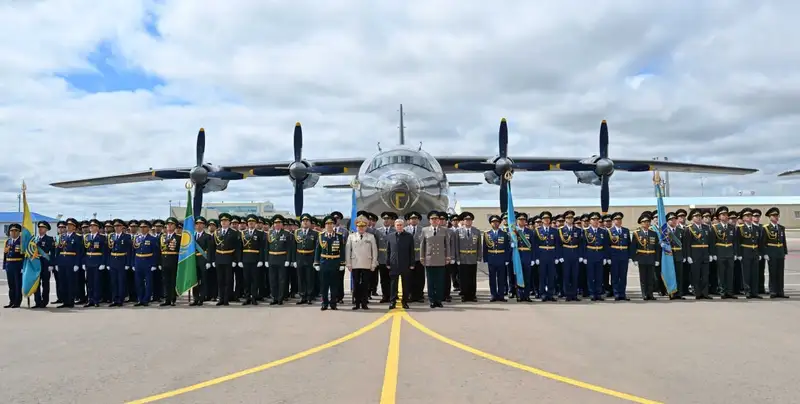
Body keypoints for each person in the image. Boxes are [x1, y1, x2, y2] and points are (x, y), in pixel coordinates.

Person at [346, 214, 378, 310]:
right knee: (356, 285)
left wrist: (373, 263)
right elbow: (348, 250)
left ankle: (364, 303)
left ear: (366, 227)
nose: (361, 228)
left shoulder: (371, 236)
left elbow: (374, 251)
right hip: (355, 263)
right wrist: (348, 263)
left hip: (366, 264)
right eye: (359, 226)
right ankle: (356, 303)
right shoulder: (351, 236)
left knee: (365, 284)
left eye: (363, 226)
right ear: (356, 227)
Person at [421, 211, 451, 308]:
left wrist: (448, 256)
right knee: (430, 281)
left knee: (440, 281)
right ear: (429, 220)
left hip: (440, 258)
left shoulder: (444, 230)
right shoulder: (425, 230)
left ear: (439, 221)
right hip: (429, 258)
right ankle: (432, 300)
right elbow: (422, 245)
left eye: (436, 219)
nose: (434, 221)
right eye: (432, 219)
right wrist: (422, 257)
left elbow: (447, 244)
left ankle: (439, 300)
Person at [315, 215, 346, 311]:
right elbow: (318, 250)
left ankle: (333, 303)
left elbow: (342, 250)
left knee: (334, 285)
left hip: (335, 263)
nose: (329, 226)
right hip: (324, 263)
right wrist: (316, 263)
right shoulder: (321, 236)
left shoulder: (339, 236)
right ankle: (324, 303)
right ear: (325, 225)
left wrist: (342, 263)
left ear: (334, 225)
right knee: (324, 285)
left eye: (331, 224)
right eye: (327, 224)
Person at [385, 218, 414, 309]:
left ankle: (404, 301)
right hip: (394, 264)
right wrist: (388, 262)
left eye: (401, 225)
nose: (399, 227)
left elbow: (411, 251)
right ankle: (392, 301)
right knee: (393, 284)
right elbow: (388, 250)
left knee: (406, 284)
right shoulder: (390, 236)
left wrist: (412, 263)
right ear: (395, 226)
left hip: (405, 264)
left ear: (403, 226)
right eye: (397, 225)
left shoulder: (409, 236)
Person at [214, 213, 242, 306]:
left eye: (226, 221)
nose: (224, 222)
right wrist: (213, 260)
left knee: (228, 280)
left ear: (229, 222)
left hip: (229, 258)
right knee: (219, 280)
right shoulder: (216, 232)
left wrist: (235, 260)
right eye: (222, 221)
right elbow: (213, 247)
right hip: (219, 258)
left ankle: (226, 299)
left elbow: (237, 248)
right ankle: (220, 298)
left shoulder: (234, 233)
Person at [685, 208, 713, 300]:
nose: (699, 218)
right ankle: (697, 293)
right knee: (696, 275)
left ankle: (705, 293)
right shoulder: (689, 229)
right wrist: (688, 255)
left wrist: (710, 254)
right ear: (692, 218)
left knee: (705, 275)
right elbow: (687, 243)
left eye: (699, 216)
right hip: (695, 255)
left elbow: (710, 242)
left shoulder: (706, 228)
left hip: (705, 254)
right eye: (696, 216)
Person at [630, 213, 659, 300]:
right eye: (644, 222)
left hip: (651, 257)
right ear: (641, 223)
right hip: (641, 258)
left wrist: (657, 259)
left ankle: (650, 294)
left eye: (648, 222)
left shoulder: (653, 233)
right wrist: (634, 258)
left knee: (650, 278)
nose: (646, 223)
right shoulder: (636, 234)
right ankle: (644, 294)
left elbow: (657, 248)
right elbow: (633, 247)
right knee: (643, 278)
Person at [762, 207, 789, 299]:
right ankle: (773, 291)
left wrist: (784, 252)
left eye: (777, 215)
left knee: (780, 272)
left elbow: (783, 241)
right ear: (770, 217)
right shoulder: (766, 228)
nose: (776, 217)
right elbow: (763, 242)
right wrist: (765, 253)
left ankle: (780, 291)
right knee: (772, 272)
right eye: (774, 216)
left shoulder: (781, 228)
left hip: (780, 252)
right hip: (771, 252)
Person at [712, 206, 738, 299]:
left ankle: (730, 292)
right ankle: (722, 291)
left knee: (730, 273)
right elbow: (713, 242)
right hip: (720, 252)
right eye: (723, 215)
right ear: (719, 217)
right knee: (721, 273)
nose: (725, 216)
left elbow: (735, 242)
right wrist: (714, 254)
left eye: (726, 214)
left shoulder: (732, 227)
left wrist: (735, 253)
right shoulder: (715, 227)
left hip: (730, 252)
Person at [455, 212, 482, 302]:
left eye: (470, 220)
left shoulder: (476, 231)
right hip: (462, 258)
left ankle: (472, 295)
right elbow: (456, 246)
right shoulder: (458, 231)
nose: (468, 222)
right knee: (463, 278)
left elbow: (479, 246)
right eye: (466, 220)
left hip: (472, 257)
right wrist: (457, 258)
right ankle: (465, 295)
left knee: (472, 278)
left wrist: (479, 257)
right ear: (463, 221)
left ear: (472, 222)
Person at [133, 220, 160, 307]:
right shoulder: (136, 238)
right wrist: (133, 263)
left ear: (148, 228)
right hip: (138, 262)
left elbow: (156, 253)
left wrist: (154, 264)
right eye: (141, 227)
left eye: (144, 227)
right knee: (138, 282)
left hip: (148, 262)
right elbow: (134, 251)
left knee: (148, 282)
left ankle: (146, 299)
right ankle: (140, 299)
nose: (142, 229)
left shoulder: (153, 239)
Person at [241, 214, 266, 305]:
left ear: (255, 223)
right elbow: (240, 248)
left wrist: (260, 260)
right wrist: (240, 260)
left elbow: (262, 248)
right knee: (246, 280)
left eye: (253, 222)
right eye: (249, 222)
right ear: (247, 224)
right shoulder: (243, 233)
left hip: (255, 259)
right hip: (245, 259)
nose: (251, 223)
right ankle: (247, 297)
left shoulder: (260, 233)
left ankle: (254, 297)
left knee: (255, 280)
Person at [558, 211, 584, 302]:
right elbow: (558, 244)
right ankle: (567, 294)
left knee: (575, 275)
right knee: (566, 275)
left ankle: (574, 294)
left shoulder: (578, 230)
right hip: (565, 254)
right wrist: (560, 256)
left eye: (572, 218)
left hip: (575, 254)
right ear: (565, 219)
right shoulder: (561, 230)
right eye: (568, 218)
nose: (570, 219)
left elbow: (581, 244)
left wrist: (580, 255)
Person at [534, 211, 559, 302]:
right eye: (544, 219)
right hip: (542, 255)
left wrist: (557, 257)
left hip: (551, 255)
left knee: (551, 276)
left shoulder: (555, 231)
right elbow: (535, 245)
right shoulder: (537, 231)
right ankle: (543, 293)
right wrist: (536, 257)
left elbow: (557, 245)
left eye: (548, 218)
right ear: (542, 220)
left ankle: (550, 293)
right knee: (542, 276)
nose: (546, 220)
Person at [83, 219, 108, 307]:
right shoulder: (87, 237)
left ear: (97, 228)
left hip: (97, 262)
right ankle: (90, 300)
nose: (91, 227)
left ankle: (96, 300)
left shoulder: (102, 238)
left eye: (93, 226)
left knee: (97, 282)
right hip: (88, 262)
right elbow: (84, 251)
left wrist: (103, 263)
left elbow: (105, 252)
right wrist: (83, 262)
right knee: (89, 282)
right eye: (90, 226)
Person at [294, 213, 318, 305]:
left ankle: (309, 296)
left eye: (307, 221)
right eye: (303, 221)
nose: (305, 222)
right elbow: (294, 247)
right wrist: (294, 260)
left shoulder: (315, 233)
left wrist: (316, 261)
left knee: (310, 278)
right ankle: (302, 296)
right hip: (300, 257)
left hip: (310, 257)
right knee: (301, 278)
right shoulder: (297, 232)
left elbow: (316, 248)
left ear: (310, 223)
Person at [484, 215, 509, 302]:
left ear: (499, 223)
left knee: (501, 278)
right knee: (492, 278)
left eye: (497, 222)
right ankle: (493, 295)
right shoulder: (487, 234)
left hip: (501, 258)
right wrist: (485, 258)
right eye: (493, 222)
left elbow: (507, 247)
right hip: (491, 258)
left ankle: (501, 295)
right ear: (491, 223)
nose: (495, 223)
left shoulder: (504, 234)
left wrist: (507, 259)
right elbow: (485, 247)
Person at [107, 219, 132, 307]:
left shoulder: (127, 237)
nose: (116, 228)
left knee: (121, 281)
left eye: (118, 226)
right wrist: (108, 263)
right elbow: (108, 251)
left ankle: (120, 299)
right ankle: (114, 299)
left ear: (122, 227)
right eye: (115, 226)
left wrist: (128, 263)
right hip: (113, 260)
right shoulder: (111, 236)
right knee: (113, 282)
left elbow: (129, 251)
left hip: (122, 260)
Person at [607, 212, 630, 301]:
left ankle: (623, 294)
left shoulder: (626, 230)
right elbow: (607, 245)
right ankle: (616, 293)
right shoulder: (609, 231)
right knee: (615, 275)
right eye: (617, 219)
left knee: (623, 276)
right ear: (613, 221)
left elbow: (629, 243)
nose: (619, 221)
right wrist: (608, 257)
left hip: (623, 255)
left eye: (620, 219)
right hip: (614, 256)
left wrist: (629, 256)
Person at [159, 217, 181, 306]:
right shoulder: (162, 237)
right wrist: (159, 263)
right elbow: (158, 251)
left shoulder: (179, 237)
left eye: (171, 224)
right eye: (168, 224)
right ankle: (166, 299)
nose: (169, 226)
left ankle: (172, 299)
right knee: (165, 281)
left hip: (173, 261)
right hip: (164, 261)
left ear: (175, 226)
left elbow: (180, 251)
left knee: (173, 281)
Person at [191, 217, 213, 306]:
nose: (198, 225)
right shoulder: (191, 236)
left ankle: (202, 298)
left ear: (204, 225)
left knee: (203, 280)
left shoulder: (208, 236)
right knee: (194, 280)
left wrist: (209, 261)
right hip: (193, 260)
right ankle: (195, 298)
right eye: (197, 224)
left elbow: (210, 250)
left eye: (200, 224)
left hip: (203, 260)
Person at [375, 212, 397, 303]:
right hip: (382, 258)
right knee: (383, 279)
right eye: (384, 219)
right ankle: (385, 296)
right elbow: (375, 245)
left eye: (388, 219)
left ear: (391, 221)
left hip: (392, 258)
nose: (386, 220)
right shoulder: (378, 231)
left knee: (393, 279)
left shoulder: (395, 231)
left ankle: (393, 296)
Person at [34, 221, 56, 308]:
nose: (40, 229)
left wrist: (51, 264)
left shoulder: (50, 239)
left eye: (42, 227)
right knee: (36, 283)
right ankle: (37, 301)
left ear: (46, 229)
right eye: (39, 227)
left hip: (45, 263)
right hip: (36, 264)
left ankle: (44, 301)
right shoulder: (34, 239)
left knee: (45, 284)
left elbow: (53, 253)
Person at [3, 223, 23, 308]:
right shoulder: (8, 241)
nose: (13, 233)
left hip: (18, 265)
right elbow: (5, 254)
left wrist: (23, 267)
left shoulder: (22, 241)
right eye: (11, 231)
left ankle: (17, 302)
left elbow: (25, 256)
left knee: (18, 284)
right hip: (9, 265)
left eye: (15, 231)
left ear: (19, 232)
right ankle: (11, 301)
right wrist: (4, 265)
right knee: (11, 285)